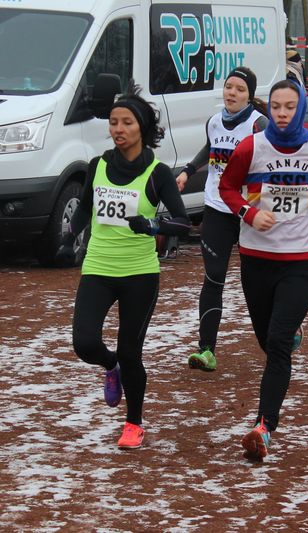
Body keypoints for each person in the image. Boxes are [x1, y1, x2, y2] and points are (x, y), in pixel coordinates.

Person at [57, 83, 190, 449]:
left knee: (132, 352)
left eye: (127, 123)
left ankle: (133, 423)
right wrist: (69, 239)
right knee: (85, 343)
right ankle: (109, 365)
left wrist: (153, 226)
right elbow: (86, 207)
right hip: (98, 268)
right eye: (114, 122)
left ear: (141, 128)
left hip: (139, 274)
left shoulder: (158, 173)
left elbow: (183, 222)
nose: (118, 129)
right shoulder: (98, 165)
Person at [218, 79, 308, 461]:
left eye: (289, 107)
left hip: (302, 260)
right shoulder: (251, 147)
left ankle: (264, 427)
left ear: (301, 107)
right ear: (268, 108)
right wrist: (249, 213)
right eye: (276, 107)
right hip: (257, 258)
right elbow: (227, 188)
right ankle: (287, 338)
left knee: (278, 342)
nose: (282, 114)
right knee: (267, 339)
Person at [174, 67, 268, 372]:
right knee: (213, 278)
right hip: (216, 208)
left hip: (249, 211)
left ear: (249, 96)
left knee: (256, 281)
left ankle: (279, 333)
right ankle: (206, 350)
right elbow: (210, 147)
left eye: (240, 89)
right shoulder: (214, 121)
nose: (232, 93)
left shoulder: (259, 124)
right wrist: (188, 170)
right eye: (229, 87)